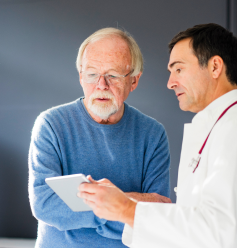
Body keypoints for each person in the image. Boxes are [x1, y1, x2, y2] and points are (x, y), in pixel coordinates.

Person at [78, 23, 237, 248]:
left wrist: (127, 209)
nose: (170, 83)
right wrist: (125, 203)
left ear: (215, 66)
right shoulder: (220, 126)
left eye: (178, 69)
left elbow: (219, 232)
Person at [28, 27, 171, 248]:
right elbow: (45, 204)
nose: (101, 85)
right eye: (92, 74)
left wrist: (84, 208)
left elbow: (156, 214)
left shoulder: (153, 134)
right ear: (81, 77)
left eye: (112, 75)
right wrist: (121, 206)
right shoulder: (51, 125)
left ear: (134, 80)